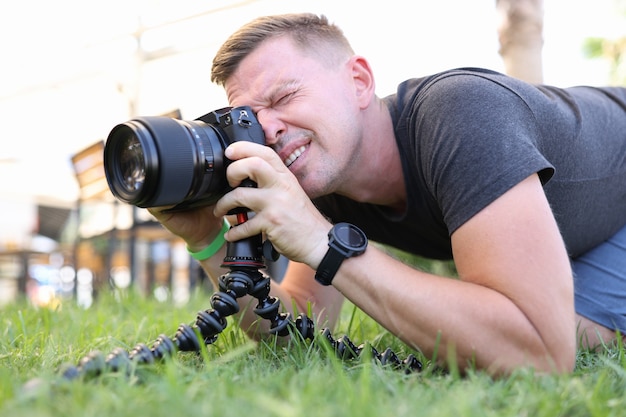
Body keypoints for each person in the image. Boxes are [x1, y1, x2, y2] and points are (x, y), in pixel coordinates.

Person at [148, 13, 626, 375]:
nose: (267, 130)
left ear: (359, 81)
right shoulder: (319, 170)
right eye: (250, 117)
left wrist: (322, 243)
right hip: (585, 229)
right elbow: (300, 330)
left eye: (285, 97)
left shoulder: (461, 115)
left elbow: (541, 354)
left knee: (551, 333)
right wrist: (208, 239)